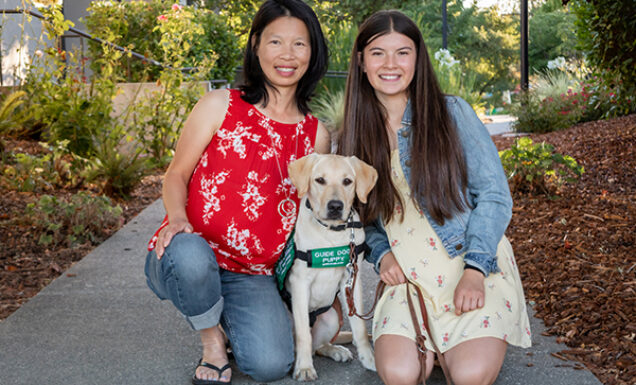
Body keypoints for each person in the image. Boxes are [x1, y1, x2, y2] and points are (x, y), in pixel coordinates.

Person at [337, 10, 531, 385]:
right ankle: (442, 345)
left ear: (418, 59)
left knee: (471, 376)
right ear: (361, 62)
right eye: (378, 53)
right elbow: (365, 219)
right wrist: (382, 254)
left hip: (468, 266)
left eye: (403, 52)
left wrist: (475, 270)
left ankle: (462, 343)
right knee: (398, 373)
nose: (390, 64)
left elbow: (494, 195)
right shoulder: (353, 138)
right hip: (408, 280)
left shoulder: (451, 113)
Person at [144, 1, 329, 384]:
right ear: (256, 46)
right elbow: (176, 173)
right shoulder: (221, 105)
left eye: (300, 44)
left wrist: (327, 291)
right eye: (275, 41)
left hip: (255, 274)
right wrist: (177, 218)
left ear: (313, 54)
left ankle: (225, 315)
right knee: (191, 259)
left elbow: (315, 215)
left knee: (271, 364)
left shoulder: (316, 135)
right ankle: (213, 345)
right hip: (191, 249)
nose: (287, 55)